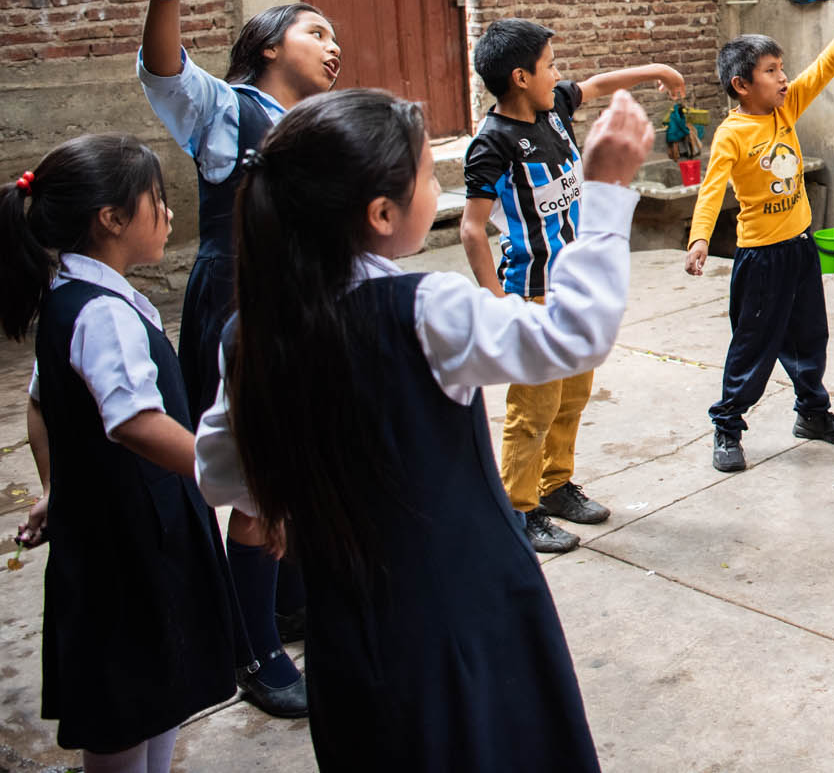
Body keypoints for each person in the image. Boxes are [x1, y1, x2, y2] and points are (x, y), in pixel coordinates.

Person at [195, 87, 654, 771]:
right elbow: (574, 334)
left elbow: (219, 473)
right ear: (381, 213)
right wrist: (607, 195)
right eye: (427, 175)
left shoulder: (250, 336)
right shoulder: (423, 311)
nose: (437, 186)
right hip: (466, 612)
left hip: (350, 632)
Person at [3, 135, 235, 773]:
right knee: (130, 699)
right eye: (156, 201)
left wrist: (58, 489)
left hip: (124, 531)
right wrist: (230, 473)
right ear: (110, 219)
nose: (167, 215)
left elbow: (42, 406)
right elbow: (135, 421)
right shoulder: (101, 313)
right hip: (130, 543)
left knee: (157, 694)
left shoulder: (76, 297)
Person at [134, 0, 326, 717]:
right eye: (317, 30)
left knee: (297, 465)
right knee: (254, 480)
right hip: (238, 303)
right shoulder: (228, 108)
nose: (333, 44)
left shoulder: (312, 124)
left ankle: (286, 600)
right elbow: (166, 72)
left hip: (298, 302)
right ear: (270, 45)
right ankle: (256, 651)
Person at [461, 18, 687, 554]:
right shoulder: (491, 146)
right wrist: (496, 302)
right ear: (520, 77)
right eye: (550, 65)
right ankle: (520, 510)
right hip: (530, 291)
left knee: (574, 396)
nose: (560, 74)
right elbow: (472, 229)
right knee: (532, 409)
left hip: (573, 288)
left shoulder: (554, 108)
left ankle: (556, 485)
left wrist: (658, 69)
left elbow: (602, 83)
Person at [686, 0, 834, 472]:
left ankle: (813, 415)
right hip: (761, 257)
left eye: (782, 68)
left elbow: (819, 72)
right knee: (754, 347)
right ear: (741, 84)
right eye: (772, 71)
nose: (783, 78)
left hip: (799, 250)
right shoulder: (732, 134)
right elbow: (712, 190)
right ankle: (728, 426)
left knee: (809, 338)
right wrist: (699, 239)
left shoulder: (784, 108)